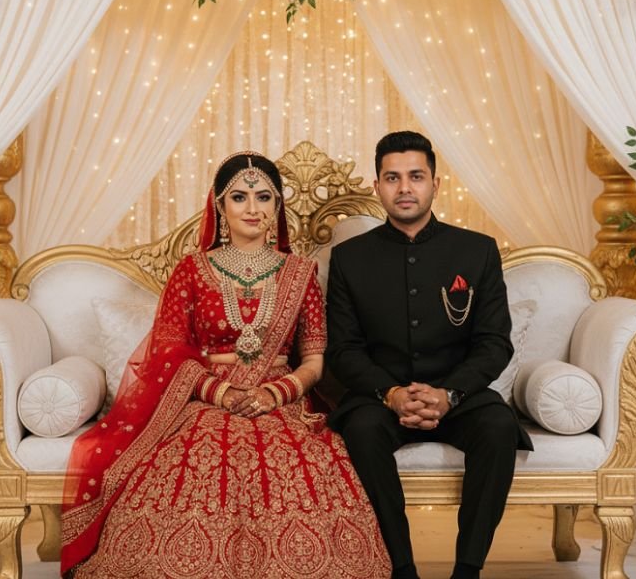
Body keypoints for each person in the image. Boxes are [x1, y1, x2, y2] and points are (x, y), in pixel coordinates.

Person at [61, 151, 391, 578]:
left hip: (280, 400)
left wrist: (274, 392)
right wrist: (223, 393)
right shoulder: (192, 271)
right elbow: (169, 352)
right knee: (204, 450)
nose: (252, 208)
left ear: (277, 206)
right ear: (219, 205)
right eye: (239, 197)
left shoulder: (300, 273)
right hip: (206, 398)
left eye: (264, 197)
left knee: (289, 458)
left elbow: (313, 360)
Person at [325, 131, 533, 579]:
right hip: (381, 396)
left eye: (416, 176)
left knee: (499, 427)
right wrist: (392, 393)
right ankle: (401, 568)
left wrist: (449, 394)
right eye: (393, 177)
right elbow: (343, 350)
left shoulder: (477, 250)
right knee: (359, 430)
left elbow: (494, 341)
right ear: (377, 186)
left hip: (459, 393)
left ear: (436, 184)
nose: (405, 188)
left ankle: (468, 570)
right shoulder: (348, 258)